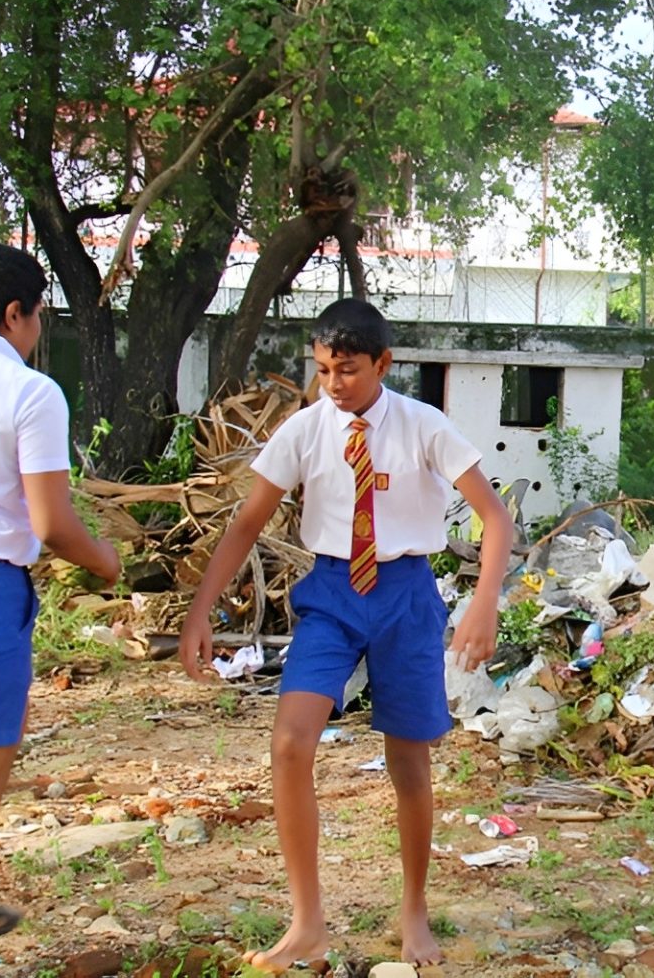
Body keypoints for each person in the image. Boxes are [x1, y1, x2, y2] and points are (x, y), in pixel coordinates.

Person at [178, 298, 511, 971]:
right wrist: (199, 611)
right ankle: (307, 922)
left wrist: (484, 603)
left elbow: (495, 516)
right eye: (324, 369)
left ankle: (413, 908)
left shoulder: (423, 425)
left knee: (408, 762)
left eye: (349, 370)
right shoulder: (304, 431)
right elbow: (246, 523)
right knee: (289, 742)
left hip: (405, 595)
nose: (334, 383)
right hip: (331, 593)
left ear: (383, 364)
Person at [0, 246, 121, 953]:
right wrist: (106, 561)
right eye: (38, 316)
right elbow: (52, 524)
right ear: (14, 313)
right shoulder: (28, 391)